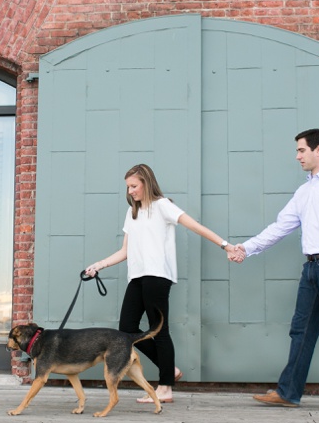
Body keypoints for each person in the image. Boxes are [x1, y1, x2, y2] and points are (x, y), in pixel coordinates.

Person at [229, 128, 319, 412]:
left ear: (318, 150)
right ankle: (289, 392)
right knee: (301, 331)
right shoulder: (304, 191)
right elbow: (280, 227)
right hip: (312, 268)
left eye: (301, 150)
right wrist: (246, 248)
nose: (297, 156)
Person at [86, 163, 234, 404]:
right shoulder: (131, 213)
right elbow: (125, 251)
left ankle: (165, 387)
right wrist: (98, 265)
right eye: (128, 187)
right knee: (127, 330)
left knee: (159, 330)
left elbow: (195, 226)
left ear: (146, 182)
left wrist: (225, 245)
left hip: (157, 276)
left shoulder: (163, 206)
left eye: (134, 186)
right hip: (137, 276)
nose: (130, 191)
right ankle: (169, 369)